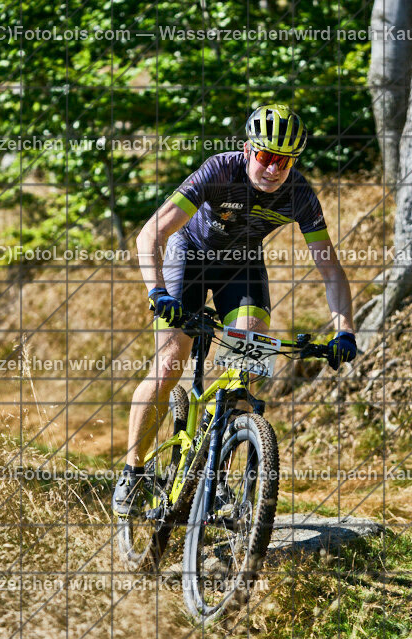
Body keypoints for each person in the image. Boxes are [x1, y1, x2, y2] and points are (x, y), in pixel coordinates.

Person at [113, 104, 359, 516]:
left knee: (248, 360)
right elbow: (151, 232)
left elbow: (330, 269)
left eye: (285, 160)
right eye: (266, 156)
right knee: (170, 364)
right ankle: (133, 472)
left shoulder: (299, 195)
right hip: (188, 256)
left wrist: (345, 331)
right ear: (248, 150)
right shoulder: (220, 171)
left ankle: (217, 475)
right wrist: (157, 292)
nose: (274, 168)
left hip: (241, 266)